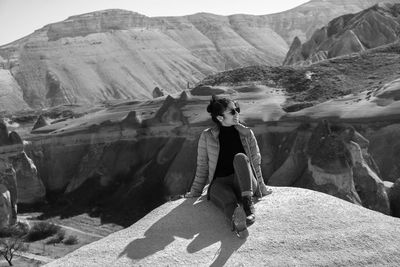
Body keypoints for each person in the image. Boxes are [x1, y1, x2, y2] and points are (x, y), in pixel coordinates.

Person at [185, 95, 271, 228]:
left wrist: (262, 188)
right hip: (220, 183)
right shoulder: (207, 136)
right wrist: (195, 191)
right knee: (227, 200)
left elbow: (255, 162)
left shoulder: (247, 134)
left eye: (237, 109)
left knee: (240, 158)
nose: (237, 113)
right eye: (232, 111)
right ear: (220, 117)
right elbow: (202, 166)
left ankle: (248, 207)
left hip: (244, 183)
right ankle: (236, 221)